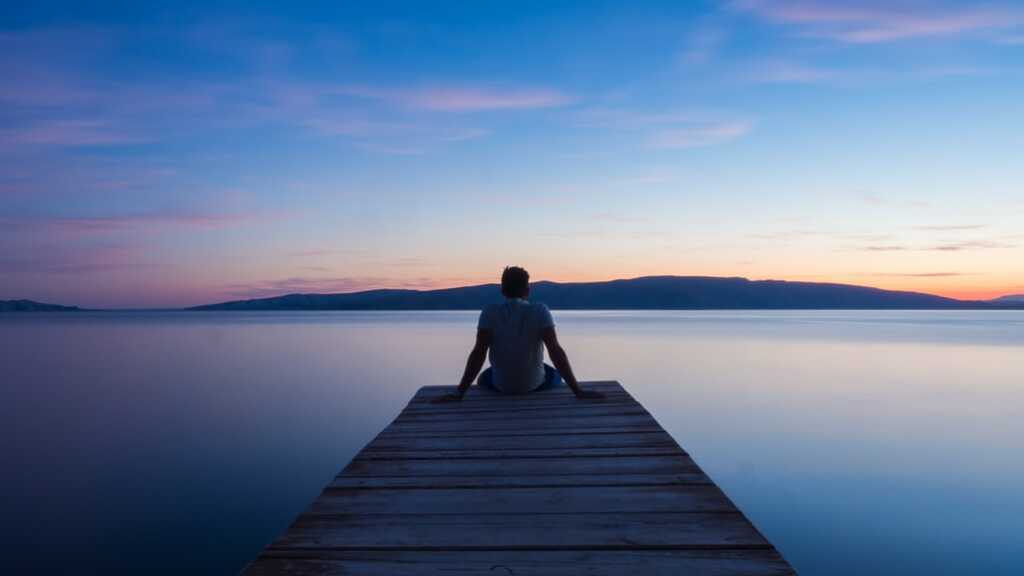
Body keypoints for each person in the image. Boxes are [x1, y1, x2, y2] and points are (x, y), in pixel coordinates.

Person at [433, 266, 604, 402]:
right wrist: (577, 391)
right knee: (553, 373)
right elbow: (555, 351)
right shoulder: (540, 310)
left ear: (502, 290)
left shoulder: (489, 312)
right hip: (534, 385)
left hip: (502, 387)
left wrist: (459, 392)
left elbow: (479, 352)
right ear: (527, 290)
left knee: (484, 377)